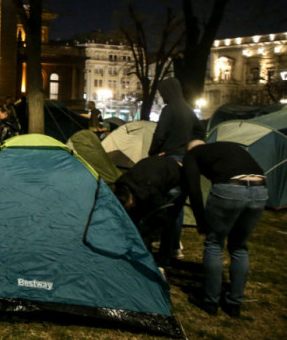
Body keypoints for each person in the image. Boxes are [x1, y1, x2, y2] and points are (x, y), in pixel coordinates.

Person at [184, 140, 268, 317]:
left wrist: (200, 219)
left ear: (190, 149)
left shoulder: (193, 154)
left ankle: (210, 301)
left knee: (214, 243)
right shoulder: (226, 147)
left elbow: (193, 187)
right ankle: (234, 304)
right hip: (260, 189)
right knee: (239, 246)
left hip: (230, 188)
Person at [148, 77, 205, 259]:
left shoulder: (169, 110)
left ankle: (162, 243)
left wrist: (153, 153)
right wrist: (189, 148)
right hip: (185, 162)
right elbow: (200, 132)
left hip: (170, 160)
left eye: (162, 92)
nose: (161, 96)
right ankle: (174, 245)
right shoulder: (188, 110)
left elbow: (159, 135)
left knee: (165, 203)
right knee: (177, 205)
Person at [113, 155, 186, 267]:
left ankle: (164, 260)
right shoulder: (120, 184)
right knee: (137, 218)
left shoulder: (151, 191)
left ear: (130, 198)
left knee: (168, 222)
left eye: (129, 205)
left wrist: (144, 234)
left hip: (176, 179)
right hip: (155, 170)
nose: (130, 207)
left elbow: (159, 216)